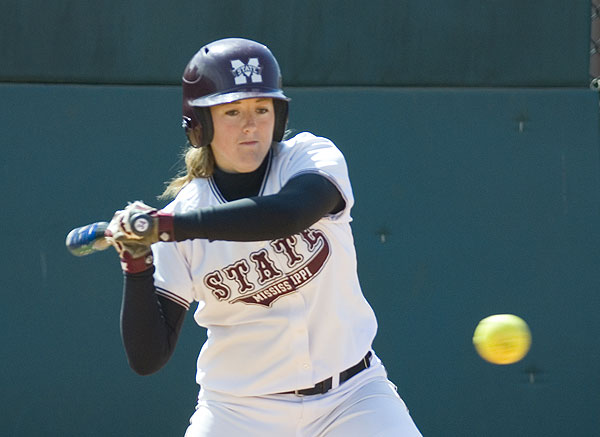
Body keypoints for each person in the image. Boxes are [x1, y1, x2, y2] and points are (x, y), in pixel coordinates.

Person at [105, 37, 422, 437]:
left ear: (279, 116)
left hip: (354, 398)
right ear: (199, 124)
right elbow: (147, 357)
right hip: (239, 411)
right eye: (232, 111)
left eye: (261, 108)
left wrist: (169, 229)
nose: (250, 124)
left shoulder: (310, 158)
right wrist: (136, 263)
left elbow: (287, 214)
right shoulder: (179, 217)